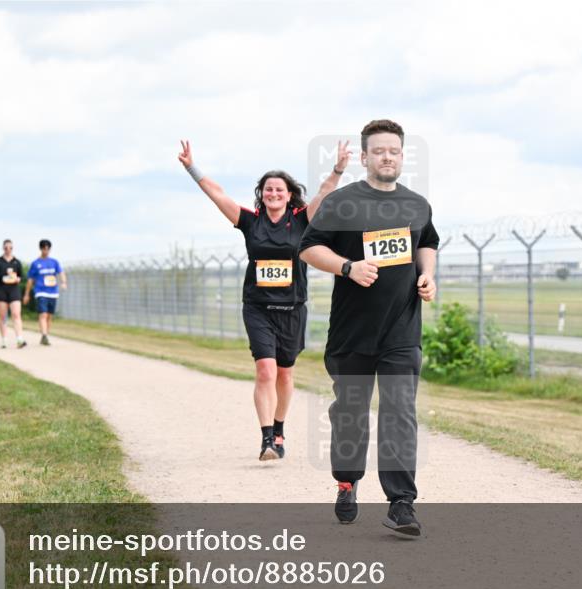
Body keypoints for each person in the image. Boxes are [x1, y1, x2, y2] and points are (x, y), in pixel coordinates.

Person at [299, 119, 439, 538]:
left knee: (399, 412)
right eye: (379, 151)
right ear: (364, 157)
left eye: (394, 151)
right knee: (350, 416)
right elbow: (308, 247)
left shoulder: (417, 204)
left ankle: (401, 503)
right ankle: (346, 481)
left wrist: (428, 274)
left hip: (401, 331)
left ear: (402, 156)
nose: (387, 157)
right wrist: (348, 267)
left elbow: (427, 241)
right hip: (352, 333)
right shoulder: (342, 202)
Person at [178, 139, 348, 461]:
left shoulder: (301, 219)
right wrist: (191, 167)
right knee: (266, 371)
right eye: (268, 190)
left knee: (285, 373)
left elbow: (325, 193)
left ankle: (280, 427)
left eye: (279, 190)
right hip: (257, 308)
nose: (273, 194)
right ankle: (267, 438)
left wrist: (338, 168)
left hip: (293, 309)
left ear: (288, 194)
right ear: (262, 194)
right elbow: (217, 194)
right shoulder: (249, 221)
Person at [23, 239, 67, 346]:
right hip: (40, 291)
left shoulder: (54, 262)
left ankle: (46, 335)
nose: (46, 250)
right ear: (40, 249)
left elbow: (61, 273)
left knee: (49, 316)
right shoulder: (35, 263)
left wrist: (64, 282)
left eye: (48, 248)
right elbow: (30, 280)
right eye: (44, 248)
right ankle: (44, 335)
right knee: (43, 314)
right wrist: (27, 294)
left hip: (53, 292)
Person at [0, 239, 27, 349]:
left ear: (12, 248)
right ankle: (4, 339)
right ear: (3, 248)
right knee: (3, 316)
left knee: (16, 314)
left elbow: (22, 276)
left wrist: (18, 279)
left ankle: (19, 339)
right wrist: (3, 277)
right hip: (1, 290)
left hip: (14, 290)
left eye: (10, 248)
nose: (8, 250)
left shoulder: (17, 262)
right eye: (6, 247)